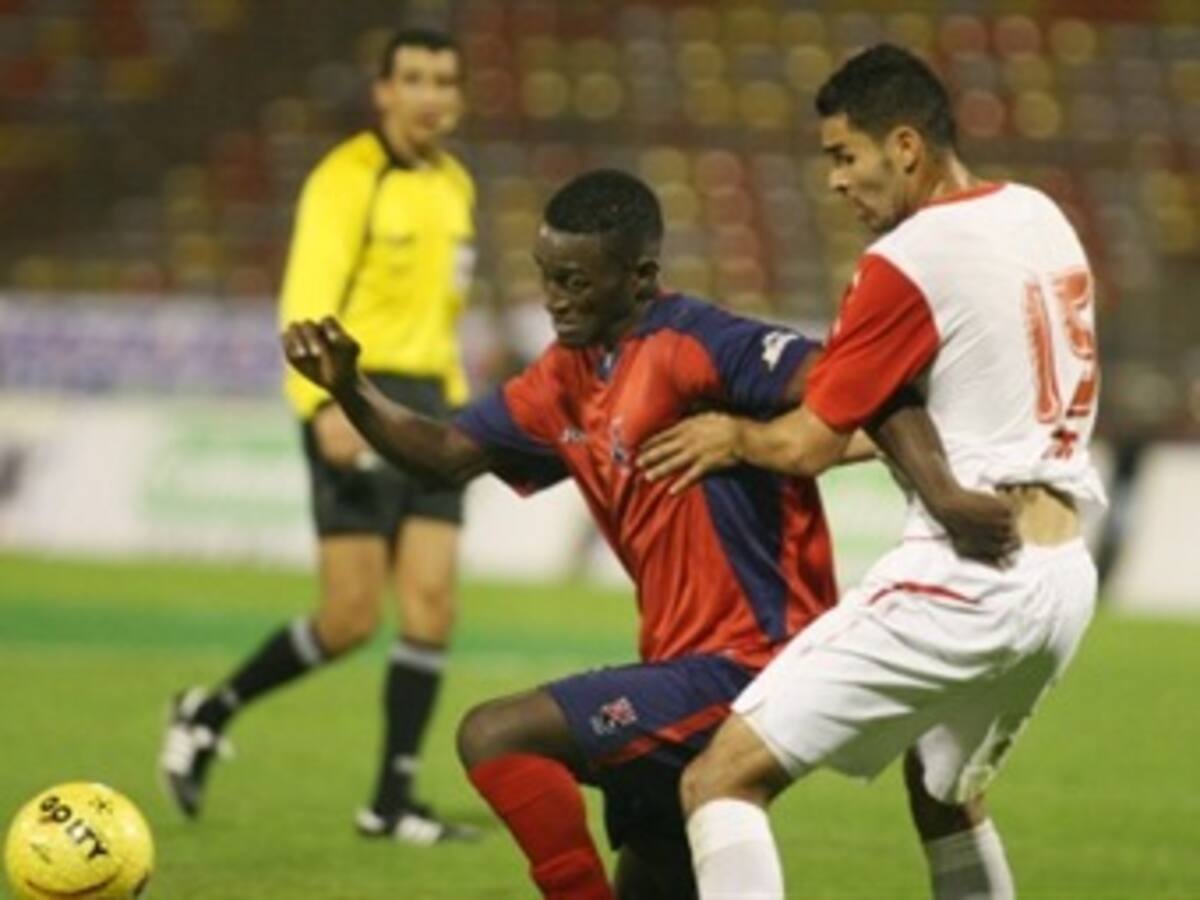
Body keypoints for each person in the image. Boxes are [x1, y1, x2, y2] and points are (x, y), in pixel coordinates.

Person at [281, 169, 1015, 899]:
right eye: (546, 276)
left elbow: (864, 382)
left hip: (756, 662)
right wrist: (352, 388)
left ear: (639, 277)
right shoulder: (560, 377)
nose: (554, 298)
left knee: (494, 734)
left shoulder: (703, 343)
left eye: (574, 280)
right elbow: (442, 459)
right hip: (676, 669)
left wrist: (945, 494)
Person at [638, 44, 1107, 899]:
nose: (834, 182)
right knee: (943, 791)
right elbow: (963, 409)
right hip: (1063, 572)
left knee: (720, 781)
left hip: (970, 578)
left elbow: (810, 444)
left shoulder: (909, 257)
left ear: (904, 146)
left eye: (842, 156)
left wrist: (734, 436)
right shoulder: (1039, 214)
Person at [160, 27, 479, 844]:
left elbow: (444, 314)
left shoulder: (455, 186)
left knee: (433, 603)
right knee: (348, 618)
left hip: (430, 408)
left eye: (444, 79)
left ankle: (391, 802)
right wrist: (323, 404)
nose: (430, 94)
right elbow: (305, 301)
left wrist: (458, 408)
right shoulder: (347, 179)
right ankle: (207, 711)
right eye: (413, 78)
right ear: (383, 92)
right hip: (354, 395)